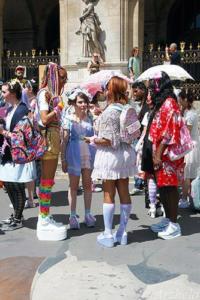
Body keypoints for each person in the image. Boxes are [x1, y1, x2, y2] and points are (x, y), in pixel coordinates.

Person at [88, 76, 137, 248]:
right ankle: (122, 232)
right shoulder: (125, 107)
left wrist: (91, 140)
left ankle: (108, 234)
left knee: (108, 193)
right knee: (124, 190)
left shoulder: (110, 111)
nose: (104, 90)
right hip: (125, 154)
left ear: (111, 90)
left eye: (106, 87)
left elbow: (108, 140)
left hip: (111, 155)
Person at [142, 71, 185, 240]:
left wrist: (158, 154)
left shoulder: (170, 103)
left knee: (169, 188)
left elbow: (169, 132)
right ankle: (168, 219)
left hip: (166, 154)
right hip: (159, 154)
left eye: (152, 87)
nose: (150, 90)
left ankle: (174, 225)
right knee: (163, 187)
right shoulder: (162, 103)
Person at [35, 62, 68, 241]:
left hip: (53, 139)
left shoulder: (52, 94)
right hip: (47, 139)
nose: (64, 81)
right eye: (61, 77)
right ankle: (44, 218)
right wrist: (58, 108)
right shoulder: (44, 93)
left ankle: (45, 216)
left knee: (49, 180)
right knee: (46, 181)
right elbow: (44, 118)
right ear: (53, 76)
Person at [0, 81, 36, 231]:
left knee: (17, 185)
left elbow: (20, 136)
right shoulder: (9, 109)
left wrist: (3, 132)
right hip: (8, 154)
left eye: (4, 92)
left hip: (19, 154)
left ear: (13, 93)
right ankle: (17, 214)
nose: (2, 95)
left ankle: (18, 217)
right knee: (8, 184)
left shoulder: (22, 109)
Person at [61, 89, 96, 229]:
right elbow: (64, 141)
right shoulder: (68, 119)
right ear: (74, 103)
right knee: (73, 186)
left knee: (88, 185)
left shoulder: (90, 118)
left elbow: (95, 136)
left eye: (85, 102)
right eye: (80, 102)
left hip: (88, 153)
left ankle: (88, 214)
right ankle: (73, 215)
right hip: (74, 153)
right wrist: (63, 159)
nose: (83, 105)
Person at [178, 89, 200, 208]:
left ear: (185, 99)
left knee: (187, 174)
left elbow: (187, 133)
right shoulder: (187, 111)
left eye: (180, 99)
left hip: (191, 146)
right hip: (189, 145)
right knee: (188, 173)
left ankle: (184, 199)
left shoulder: (191, 114)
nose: (179, 101)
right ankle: (191, 197)